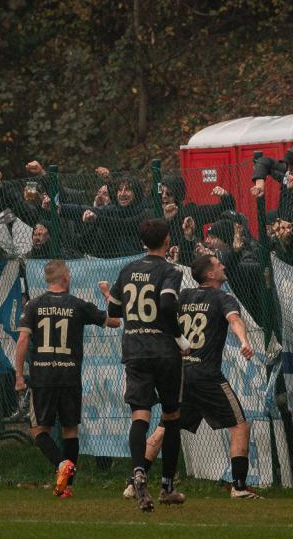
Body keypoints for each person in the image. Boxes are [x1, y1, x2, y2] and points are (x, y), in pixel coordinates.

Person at [121, 255, 261, 500]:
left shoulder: (183, 296)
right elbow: (234, 319)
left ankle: (134, 483)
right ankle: (239, 486)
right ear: (210, 274)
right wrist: (244, 341)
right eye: (219, 264)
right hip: (206, 374)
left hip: (181, 373)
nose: (224, 265)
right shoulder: (222, 298)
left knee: (164, 428)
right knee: (239, 426)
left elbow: (156, 312)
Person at [13, 260, 120, 499]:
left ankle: (61, 465)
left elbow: (22, 341)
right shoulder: (78, 305)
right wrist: (106, 294)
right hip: (70, 375)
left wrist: (19, 375)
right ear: (65, 278)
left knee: (39, 430)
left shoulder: (34, 305)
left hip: (43, 377)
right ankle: (66, 485)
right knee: (70, 430)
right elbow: (115, 321)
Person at [106, 218, 188, 511]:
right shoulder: (170, 270)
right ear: (167, 239)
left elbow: (114, 309)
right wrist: (180, 339)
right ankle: (167, 486)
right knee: (171, 417)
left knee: (140, 416)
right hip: (164, 351)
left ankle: (138, 473)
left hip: (135, 350)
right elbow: (167, 304)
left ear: (143, 241)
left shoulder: (128, 270)